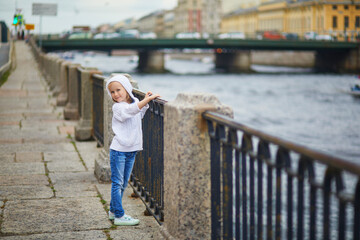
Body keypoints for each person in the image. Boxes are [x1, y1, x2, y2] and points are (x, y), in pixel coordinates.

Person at [105, 74, 160, 226]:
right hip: (119, 151)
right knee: (117, 183)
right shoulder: (118, 107)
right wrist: (146, 100)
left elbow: (137, 114)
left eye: (118, 90)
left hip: (131, 150)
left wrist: (145, 103)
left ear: (127, 89)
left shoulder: (135, 102)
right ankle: (119, 216)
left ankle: (113, 211)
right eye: (112, 92)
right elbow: (129, 111)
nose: (116, 94)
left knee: (123, 183)